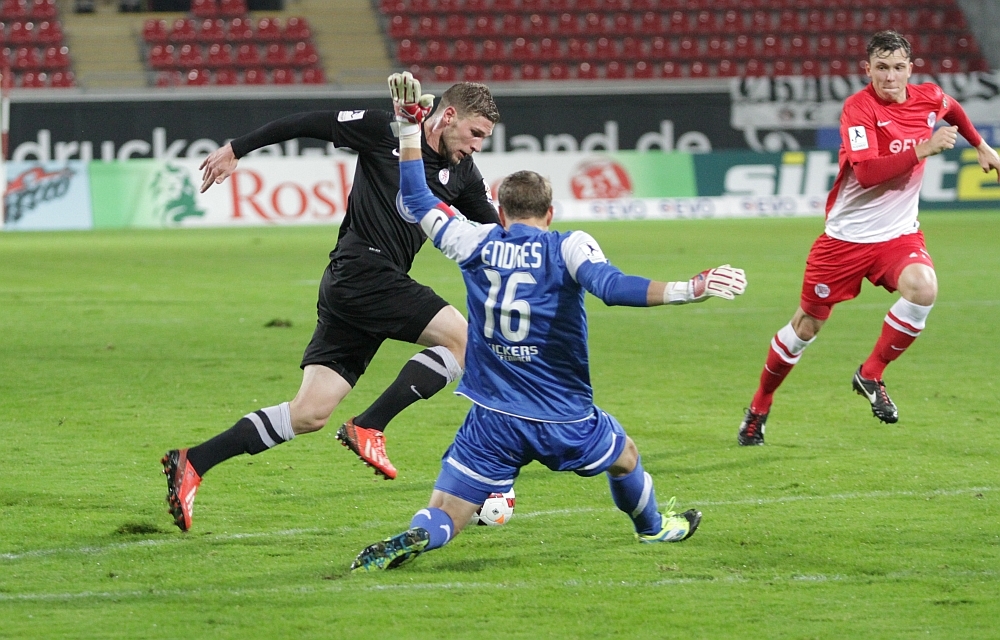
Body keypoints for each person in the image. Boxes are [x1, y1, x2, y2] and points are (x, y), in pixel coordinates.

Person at [350, 73, 748, 571]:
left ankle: (419, 534)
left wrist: (409, 129)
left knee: (447, 510)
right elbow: (612, 287)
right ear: (550, 212)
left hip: (492, 415)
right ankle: (653, 528)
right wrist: (690, 288)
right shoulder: (569, 246)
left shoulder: (474, 241)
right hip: (563, 414)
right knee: (625, 455)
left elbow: (414, 199)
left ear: (500, 211)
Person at [161, 81, 501, 532]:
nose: (477, 146)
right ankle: (370, 425)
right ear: (450, 116)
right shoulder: (386, 130)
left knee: (309, 413)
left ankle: (193, 462)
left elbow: (497, 233)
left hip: (358, 288)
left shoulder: (464, 174)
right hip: (363, 272)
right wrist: (236, 149)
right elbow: (307, 122)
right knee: (464, 340)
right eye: (476, 134)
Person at [737, 30, 1000, 446]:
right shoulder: (858, 108)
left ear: (910, 69)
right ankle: (759, 405)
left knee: (923, 288)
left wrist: (981, 145)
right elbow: (866, 173)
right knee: (805, 327)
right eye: (881, 68)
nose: (890, 77)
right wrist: (923, 150)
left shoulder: (928, 97)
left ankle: (871, 373)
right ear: (868, 69)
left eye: (898, 67)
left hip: (897, 236)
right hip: (844, 241)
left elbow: (952, 108)